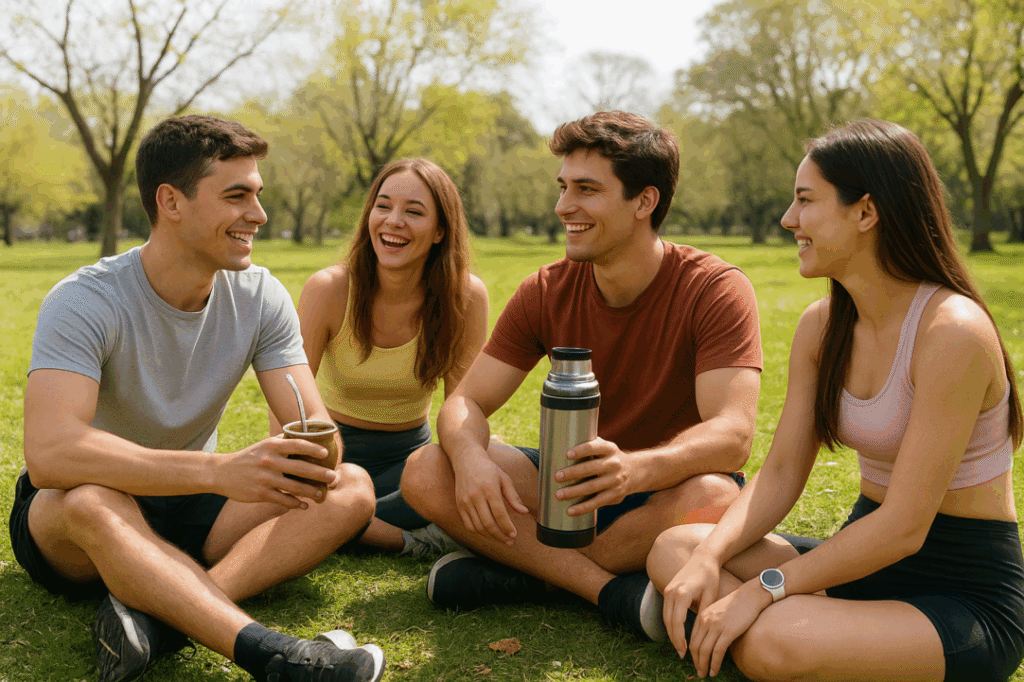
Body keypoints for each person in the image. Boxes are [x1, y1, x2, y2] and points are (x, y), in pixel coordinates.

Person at [9, 115, 386, 682]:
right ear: (171, 202)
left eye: (257, 195)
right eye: (236, 196)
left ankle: (163, 621)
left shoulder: (260, 297)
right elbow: (50, 453)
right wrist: (217, 470)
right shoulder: (84, 300)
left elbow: (317, 437)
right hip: (81, 513)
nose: (258, 215)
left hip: (192, 507)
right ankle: (275, 657)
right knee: (90, 500)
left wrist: (312, 450)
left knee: (351, 487)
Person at [647, 118, 1024, 681]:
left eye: (805, 200)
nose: (788, 219)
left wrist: (763, 590)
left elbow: (903, 527)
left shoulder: (952, 332)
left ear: (865, 212)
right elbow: (777, 475)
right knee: (677, 548)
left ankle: (761, 631)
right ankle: (787, 628)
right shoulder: (822, 326)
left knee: (773, 641)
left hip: (963, 597)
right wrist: (710, 558)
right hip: (863, 563)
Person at [401, 110, 763, 640]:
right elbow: (466, 403)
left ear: (644, 201)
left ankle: (534, 574)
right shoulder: (545, 289)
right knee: (427, 469)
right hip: (569, 489)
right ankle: (603, 590)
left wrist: (634, 471)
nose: (563, 206)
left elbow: (733, 436)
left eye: (587, 190)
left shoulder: (715, 288)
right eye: (563, 187)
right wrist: (471, 457)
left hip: (663, 490)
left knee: (715, 495)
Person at [276, 158, 488, 555]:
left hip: (412, 463)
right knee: (309, 498)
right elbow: (288, 396)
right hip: (333, 451)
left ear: (441, 230)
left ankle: (348, 525)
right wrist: (301, 468)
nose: (393, 221)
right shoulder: (330, 288)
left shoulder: (467, 297)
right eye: (383, 205)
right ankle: (408, 542)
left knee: (469, 475)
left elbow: (463, 405)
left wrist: (469, 464)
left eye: (414, 212)